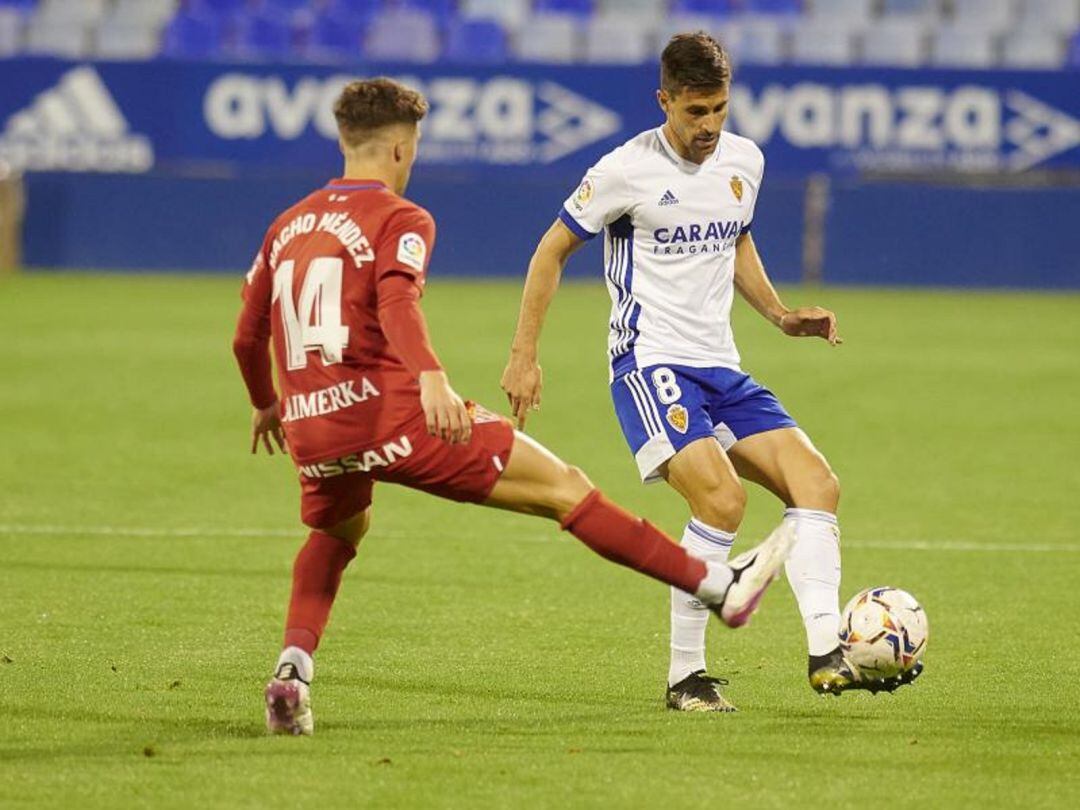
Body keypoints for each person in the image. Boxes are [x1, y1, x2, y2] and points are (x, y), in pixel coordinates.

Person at [232, 77, 796, 736]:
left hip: (312, 430)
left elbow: (247, 334)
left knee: (336, 533)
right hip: (395, 416)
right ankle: (719, 588)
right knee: (566, 490)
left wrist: (267, 403)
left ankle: (293, 671)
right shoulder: (401, 218)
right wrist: (432, 378)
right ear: (400, 150)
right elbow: (395, 303)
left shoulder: (287, 224)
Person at [501, 33, 921, 712]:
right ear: (664, 100)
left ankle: (826, 652)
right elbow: (550, 251)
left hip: (721, 365)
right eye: (694, 112)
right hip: (649, 361)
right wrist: (524, 355)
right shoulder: (623, 170)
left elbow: (737, 238)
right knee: (722, 501)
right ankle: (685, 676)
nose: (707, 127)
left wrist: (780, 315)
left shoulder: (743, 161)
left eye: (719, 110)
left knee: (817, 483)